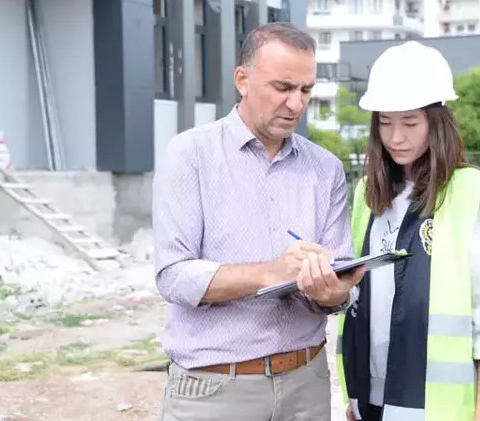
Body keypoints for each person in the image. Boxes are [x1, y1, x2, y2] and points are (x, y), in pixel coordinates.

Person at [153, 22, 364, 421]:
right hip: (215, 389)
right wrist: (271, 273)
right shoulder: (190, 155)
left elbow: (338, 290)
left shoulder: (326, 169)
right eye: (282, 88)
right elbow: (173, 276)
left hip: (307, 384)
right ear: (242, 80)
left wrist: (332, 291)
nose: (296, 105)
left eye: (305, 90)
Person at [336, 41, 480, 421]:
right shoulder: (366, 193)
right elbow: (356, 295)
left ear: (438, 122)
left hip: (435, 403)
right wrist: (355, 392)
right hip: (369, 393)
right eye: (385, 123)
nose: (396, 137)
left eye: (410, 123)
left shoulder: (469, 194)